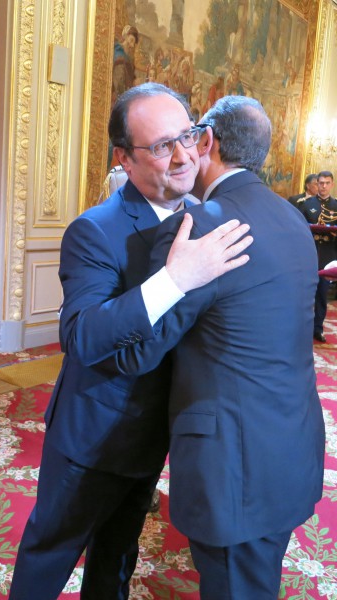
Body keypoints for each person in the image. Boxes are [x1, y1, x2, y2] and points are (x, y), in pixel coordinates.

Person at [8, 83, 253, 600]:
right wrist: (175, 280)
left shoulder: (206, 218)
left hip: (156, 433)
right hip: (92, 436)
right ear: (124, 157)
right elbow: (82, 337)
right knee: (49, 556)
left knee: (118, 559)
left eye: (188, 136)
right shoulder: (94, 230)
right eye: (162, 145)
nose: (186, 155)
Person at [112, 95, 325, 599]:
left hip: (233, 463)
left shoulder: (202, 226)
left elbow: (138, 351)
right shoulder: (291, 217)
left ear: (207, 140)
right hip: (290, 441)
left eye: (189, 136)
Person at [301, 170, 337, 342]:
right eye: (320, 183)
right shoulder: (307, 204)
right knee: (304, 293)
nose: (323, 186)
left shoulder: (336, 206)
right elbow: (298, 228)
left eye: (326, 183)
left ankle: (318, 328)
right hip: (308, 253)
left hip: (328, 256)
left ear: (332, 184)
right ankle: (301, 327)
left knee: (322, 294)